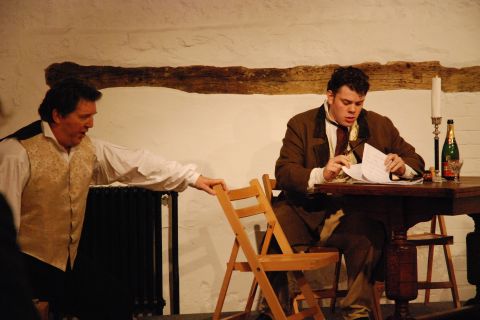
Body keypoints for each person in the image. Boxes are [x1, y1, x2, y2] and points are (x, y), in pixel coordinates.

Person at [0, 78, 226, 319]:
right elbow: (4, 223)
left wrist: (192, 177)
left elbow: (136, 163)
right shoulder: (16, 152)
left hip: (67, 260)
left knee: (115, 299)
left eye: (92, 116)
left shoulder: (87, 149)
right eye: (84, 117)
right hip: (27, 263)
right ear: (57, 115)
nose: (91, 124)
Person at [270, 66, 425, 320]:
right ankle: (274, 310)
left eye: (359, 103)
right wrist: (321, 173)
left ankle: (357, 312)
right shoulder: (302, 124)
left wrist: (402, 166)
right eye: (346, 102)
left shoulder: (378, 124)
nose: (353, 110)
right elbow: (285, 171)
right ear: (330, 96)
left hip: (349, 214)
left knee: (370, 232)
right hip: (306, 211)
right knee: (277, 223)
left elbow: (415, 160)